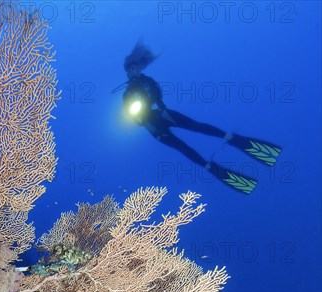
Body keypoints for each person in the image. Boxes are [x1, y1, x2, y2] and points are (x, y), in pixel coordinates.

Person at [116, 42, 282, 194]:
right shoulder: (127, 94)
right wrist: (137, 116)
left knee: (196, 126)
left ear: (139, 68)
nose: (133, 71)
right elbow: (132, 116)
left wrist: (154, 103)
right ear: (127, 72)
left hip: (164, 114)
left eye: (135, 67)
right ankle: (208, 166)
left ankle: (230, 137)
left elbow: (157, 92)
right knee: (182, 147)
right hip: (153, 126)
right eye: (130, 69)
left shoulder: (148, 81)